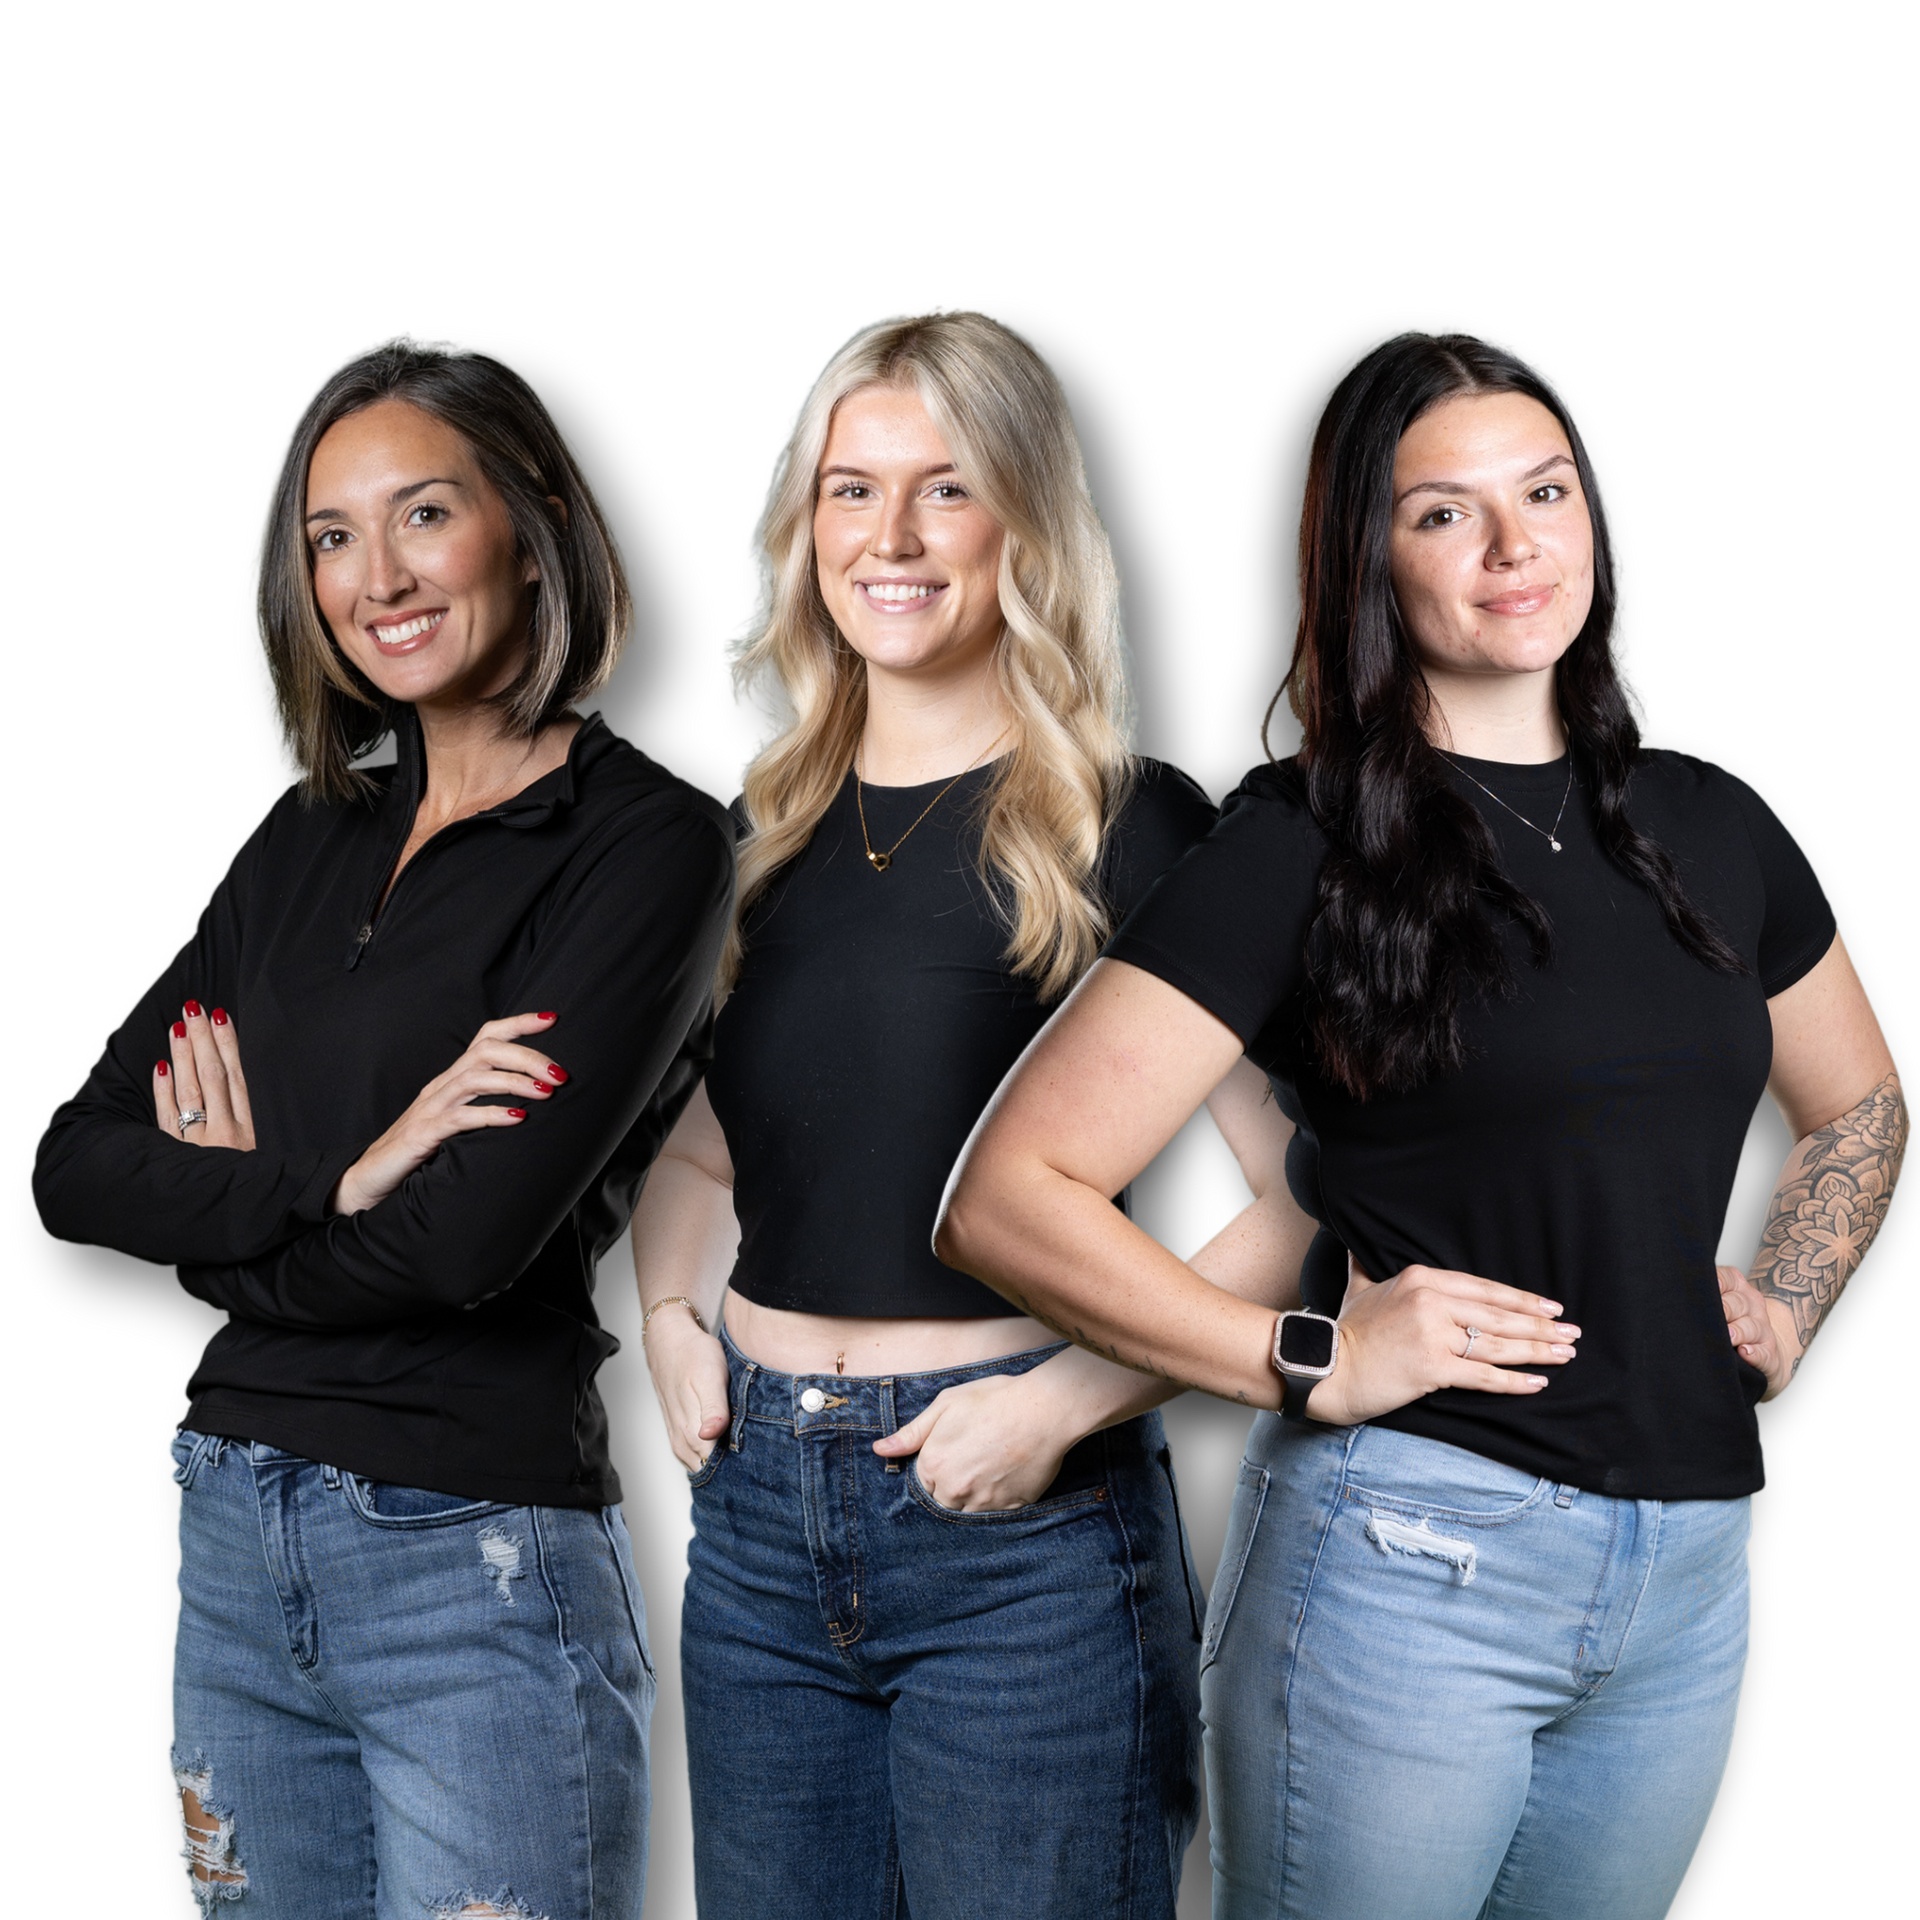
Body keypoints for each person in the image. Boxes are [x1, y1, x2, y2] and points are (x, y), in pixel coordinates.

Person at [937, 330, 1905, 1919]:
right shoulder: (1298, 844)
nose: (1518, 546)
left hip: (1685, 1580)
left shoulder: (1712, 822)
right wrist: (1304, 1358)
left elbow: (1858, 1100)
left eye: (1546, 491)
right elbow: (1011, 1194)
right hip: (1409, 1566)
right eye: (1446, 511)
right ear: (1371, 563)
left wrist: (1790, 1298)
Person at [33, 337, 734, 1917]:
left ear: (533, 516)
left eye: (423, 514)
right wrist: (327, 1178)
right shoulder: (307, 833)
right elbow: (74, 1159)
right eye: (330, 537)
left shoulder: (647, 848)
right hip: (228, 1536)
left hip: (467, 1564)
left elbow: (465, 1245)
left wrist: (215, 1227)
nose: (376, 578)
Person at [632, 307, 1284, 1918]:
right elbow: (711, 1151)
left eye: (948, 489)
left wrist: (1070, 1399)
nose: (893, 538)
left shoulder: (1132, 827)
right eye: (852, 491)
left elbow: (1315, 1194)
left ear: (1027, 523)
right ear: (803, 530)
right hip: (757, 1539)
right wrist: (663, 1314)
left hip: (1026, 1546)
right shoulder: (762, 840)